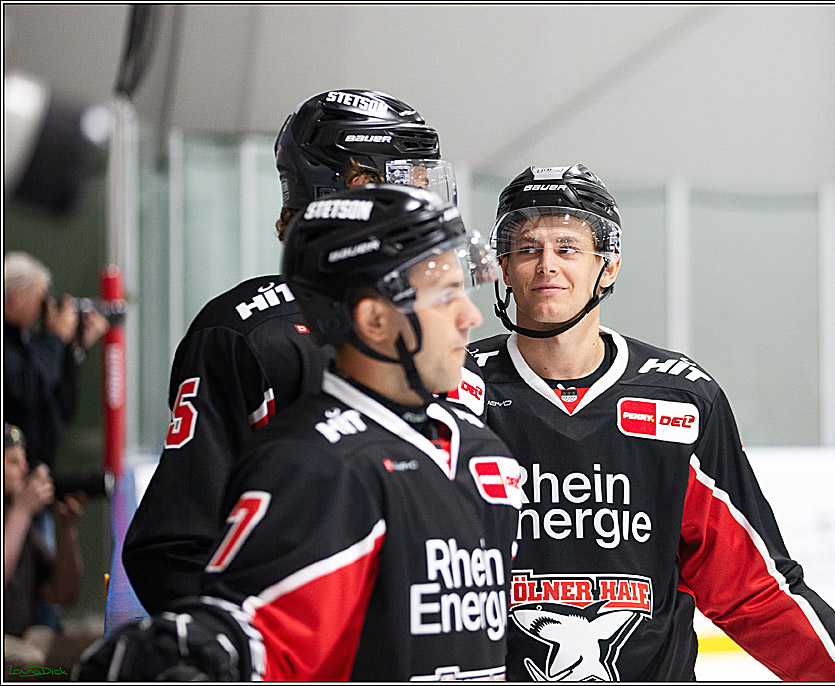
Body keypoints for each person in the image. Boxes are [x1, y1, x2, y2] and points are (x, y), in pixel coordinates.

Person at [468, 164, 835, 681]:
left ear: (607, 267)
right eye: (527, 249)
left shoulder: (678, 398)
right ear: (503, 265)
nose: (546, 265)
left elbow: (748, 584)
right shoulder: (457, 393)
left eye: (567, 248)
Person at [75, 184, 522, 681]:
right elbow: (256, 636)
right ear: (373, 319)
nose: (471, 316)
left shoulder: (486, 454)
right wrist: (190, 655)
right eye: (444, 297)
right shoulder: (316, 462)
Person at [122, 89, 465, 614]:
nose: (424, 200)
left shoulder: (432, 326)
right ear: (354, 187)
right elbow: (174, 548)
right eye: (409, 180)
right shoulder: (250, 333)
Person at [3, 252, 109, 471]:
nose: (46, 309)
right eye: (41, 299)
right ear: (15, 298)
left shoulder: (30, 343)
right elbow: (28, 389)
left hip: (37, 473)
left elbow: (61, 409)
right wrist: (56, 338)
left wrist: (74, 348)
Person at [4, 423, 88, 670]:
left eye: (24, 460)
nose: (25, 469)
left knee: (91, 649)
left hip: (21, 636)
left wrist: (68, 529)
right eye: (12, 462)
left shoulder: (22, 522)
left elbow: (62, 594)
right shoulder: (19, 515)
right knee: (30, 661)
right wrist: (21, 511)